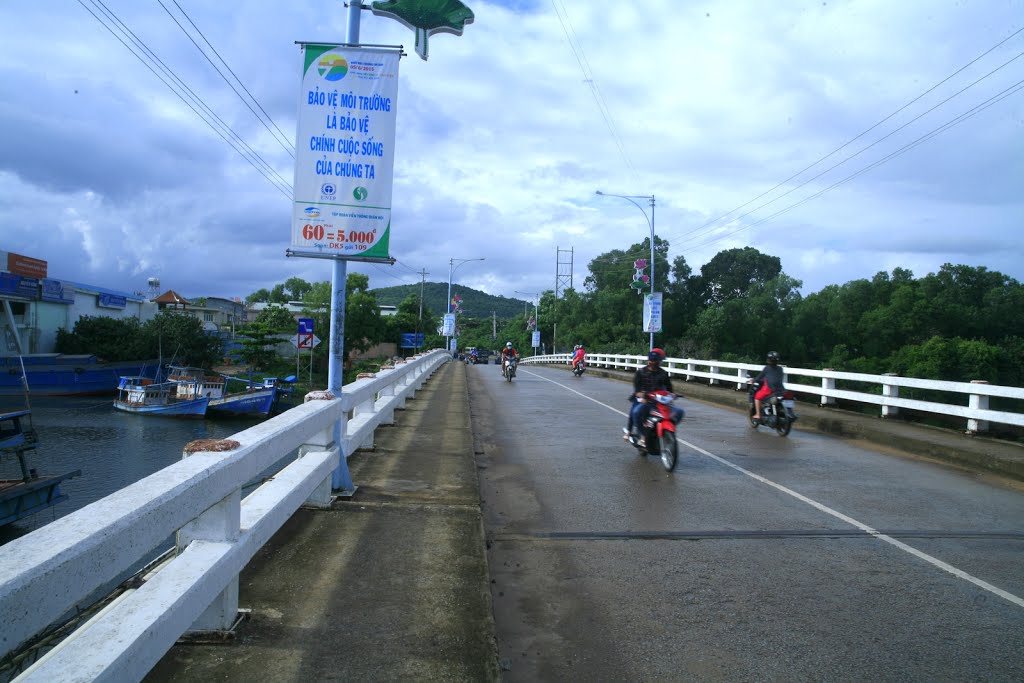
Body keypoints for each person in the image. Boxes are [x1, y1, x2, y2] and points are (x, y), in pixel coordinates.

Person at [624, 348, 682, 440]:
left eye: (657, 361)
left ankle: (666, 430)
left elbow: (669, 388)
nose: (655, 362)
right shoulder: (641, 372)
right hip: (644, 399)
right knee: (636, 411)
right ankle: (640, 434)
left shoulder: (663, 373)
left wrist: (672, 395)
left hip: (659, 399)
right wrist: (641, 395)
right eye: (653, 361)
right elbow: (637, 389)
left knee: (679, 411)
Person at [751, 351, 785, 421]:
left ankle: (758, 414)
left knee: (757, 397)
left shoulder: (767, 368)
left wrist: (753, 380)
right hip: (781, 389)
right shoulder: (780, 369)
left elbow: (759, 377)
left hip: (770, 389)